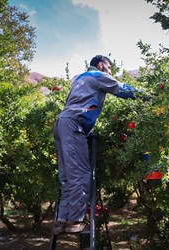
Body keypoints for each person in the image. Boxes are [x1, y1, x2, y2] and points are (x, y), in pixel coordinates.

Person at [53, 55, 138, 234]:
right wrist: (147, 96)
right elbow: (121, 89)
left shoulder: (78, 80)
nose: (110, 71)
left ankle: (62, 221)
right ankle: (75, 222)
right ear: (100, 65)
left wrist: (87, 131)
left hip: (62, 125)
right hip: (73, 125)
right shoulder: (98, 75)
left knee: (67, 177)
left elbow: (78, 104)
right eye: (109, 67)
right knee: (81, 174)